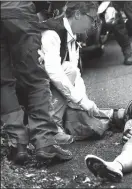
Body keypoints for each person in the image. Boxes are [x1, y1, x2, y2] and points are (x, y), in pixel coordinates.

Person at [38, 1, 125, 140]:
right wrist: (80, 100)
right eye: (92, 18)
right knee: (67, 69)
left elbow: (77, 74)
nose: (93, 24)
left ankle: (64, 123)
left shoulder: (72, 34)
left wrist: (84, 101)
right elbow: (54, 72)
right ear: (78, 14)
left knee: (71, 72)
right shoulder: (52, 33)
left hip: (48, 89)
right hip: (32, 88)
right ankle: (52, 129)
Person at [1, 1, 73, 165]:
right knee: (35, 78)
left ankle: (17, 144)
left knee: (3, 83)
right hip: (19, 10)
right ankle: (45, 141)